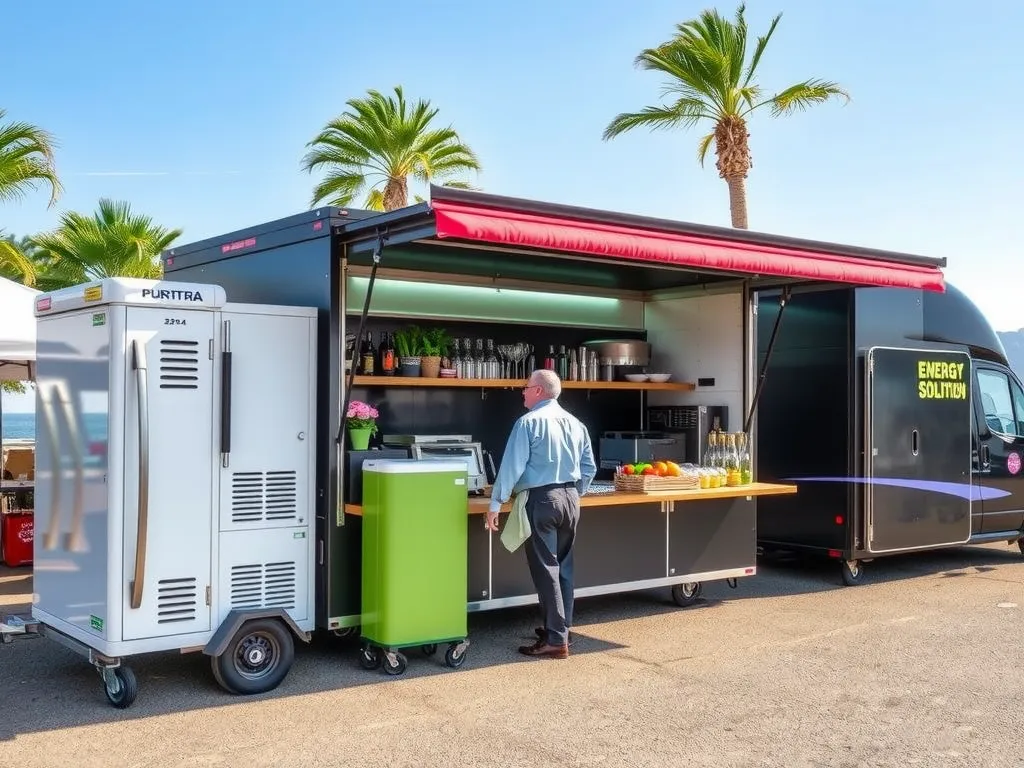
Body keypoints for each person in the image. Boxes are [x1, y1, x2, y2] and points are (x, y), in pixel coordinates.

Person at [486, 369, 597, 659]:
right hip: (570, 498)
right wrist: (574, 492)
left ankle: (556, 640)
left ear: (538, 391)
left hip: (542, 500)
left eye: (525, 387)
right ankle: (560, 628)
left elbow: (511, 467)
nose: (522, 392)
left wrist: (495, 504)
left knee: (546, 569)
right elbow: (589, 468)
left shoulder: (527, 423)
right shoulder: (576, 424)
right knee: (564, 567)